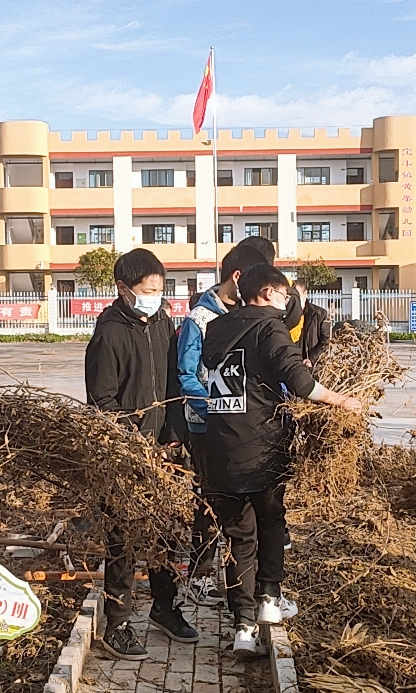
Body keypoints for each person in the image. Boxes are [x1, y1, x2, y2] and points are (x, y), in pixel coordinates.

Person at [200, 264, 363, 655]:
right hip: (262, 447)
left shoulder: (217, 328)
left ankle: (242, 627)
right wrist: (341, 400)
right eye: (285, 294)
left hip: (219, 449)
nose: (289, 302)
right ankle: (270, 599)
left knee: (239, 538)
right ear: (269, 293)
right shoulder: (269, 327)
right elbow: (300, 383)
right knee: (271, 522)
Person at [86, 249, 199, 660]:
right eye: (147, 290)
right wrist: (135, 445)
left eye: (159, 289)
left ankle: (164, 607)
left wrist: (173, 437)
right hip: (126, 453)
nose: (155, 296)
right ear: (123, 288)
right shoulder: (109, 333)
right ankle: (117, 624)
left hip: (164, 450)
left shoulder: (163, 322)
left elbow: (172, 383)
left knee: (167, 531)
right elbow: (103, 400)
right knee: (123, 538)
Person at [177, 245, 261, 606]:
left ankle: (238, 583)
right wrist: (212, 409)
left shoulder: (246, 314)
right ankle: (199, 576)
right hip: (206, 427)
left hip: (242, 429)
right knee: (208, 504)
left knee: (241, 508)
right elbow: (187, 373)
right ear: (238, 277)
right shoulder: (199, 319)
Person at [285, 281, 333, 368]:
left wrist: (312, 359)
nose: (294, 300)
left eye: (297, 296)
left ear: (305, 294)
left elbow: (327, 341)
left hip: (312, 366)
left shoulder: (319, 314)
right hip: (289, 366)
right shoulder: (283, 316)